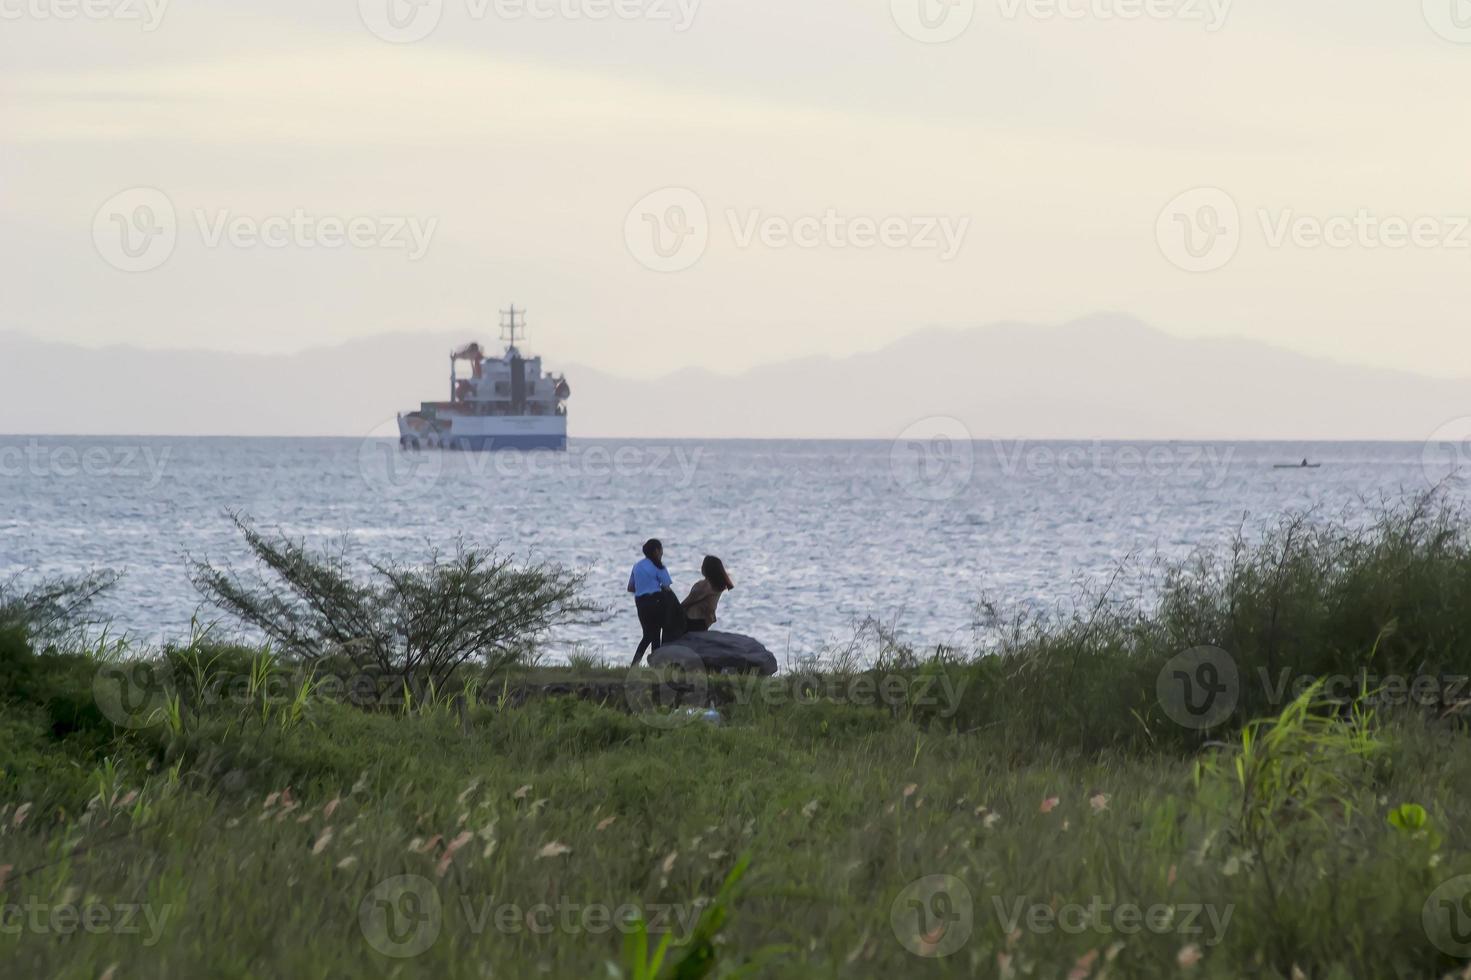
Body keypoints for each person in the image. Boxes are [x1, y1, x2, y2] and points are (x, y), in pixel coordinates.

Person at [628, 538, 673, 666]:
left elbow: (630, 587)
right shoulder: (659, 566)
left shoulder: (637, 566)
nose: (662, 552)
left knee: (648, 634)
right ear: (657, 551)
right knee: (655, 634)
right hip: (656, 601)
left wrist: (644, 586)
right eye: (661, 550)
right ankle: (655, 665)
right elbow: (666, 586)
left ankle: (635, 664)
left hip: (641, 603)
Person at [681, 556, 734, 633]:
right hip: (704, 621)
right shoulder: (718, 586)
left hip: (692, 620)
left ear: (707, 569)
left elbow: (687, 602)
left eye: (703, 565)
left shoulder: (703, 586)